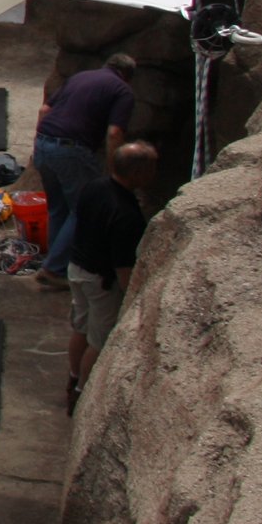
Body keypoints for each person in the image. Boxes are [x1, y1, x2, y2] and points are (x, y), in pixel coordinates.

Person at [67, 140, 157, 411]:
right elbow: (123, 267)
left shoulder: (94, 187)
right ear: (137, 174)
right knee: (99, 340)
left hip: (76, 269)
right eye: (151, 169)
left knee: (80, 328)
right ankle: (82, 394)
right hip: (100, 281)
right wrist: (133, 299)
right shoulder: (127, 215)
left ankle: (71, 380)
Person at [31, 52, 136, 287]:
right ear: (127, 76)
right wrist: (114, 173)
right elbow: (114, 133)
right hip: (72, 149)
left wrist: (39, 143)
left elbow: (44, 111)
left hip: (45, 141)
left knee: (58, 208)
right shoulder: (122, 91)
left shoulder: (80, 77)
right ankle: (54, 269)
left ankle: (53, 262)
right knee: (84, 209)